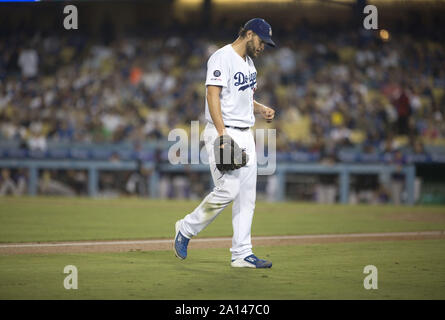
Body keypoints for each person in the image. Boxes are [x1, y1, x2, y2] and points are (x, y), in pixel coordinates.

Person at [174, 18, 276, 268]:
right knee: (228, 190)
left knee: (247, 197)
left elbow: (239, 96)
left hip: (246, 133)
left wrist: (260, 108)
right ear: (249, 34)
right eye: (262, 41)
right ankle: (186, 228)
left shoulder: (250, 65)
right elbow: (213, 94)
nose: (263, 46)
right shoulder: (222, 56)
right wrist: (221, 134)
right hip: (223, 131)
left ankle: (241, 254)